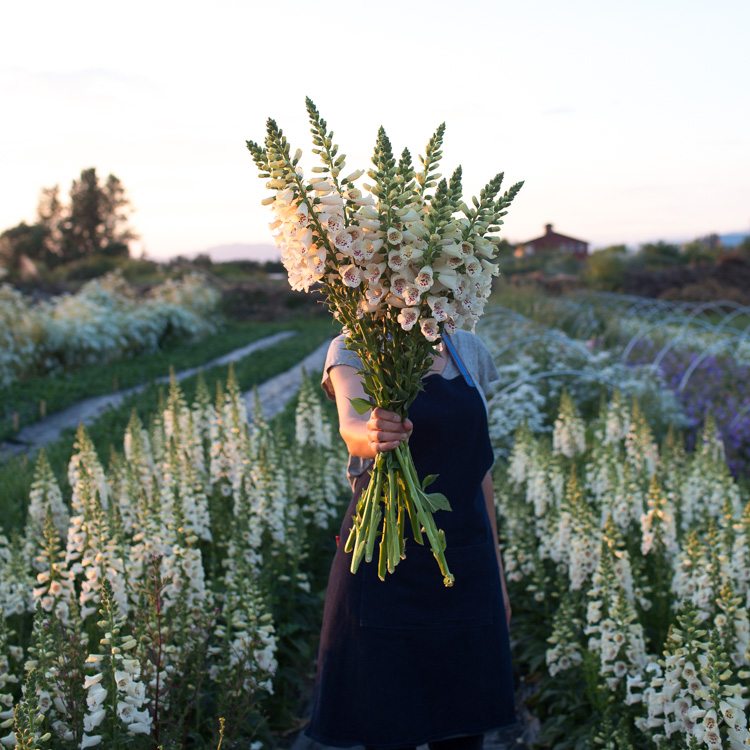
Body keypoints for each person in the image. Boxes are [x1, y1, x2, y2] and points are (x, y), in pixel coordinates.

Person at [303, 328, 517, 750]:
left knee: (462, 733)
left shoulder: (466, 348)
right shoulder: (355, 343)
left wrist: (498, 576)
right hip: (385, 566)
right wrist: (376, 435)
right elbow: (353, 427)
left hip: (464, 567)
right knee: (387, 732)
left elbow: (480, 470)